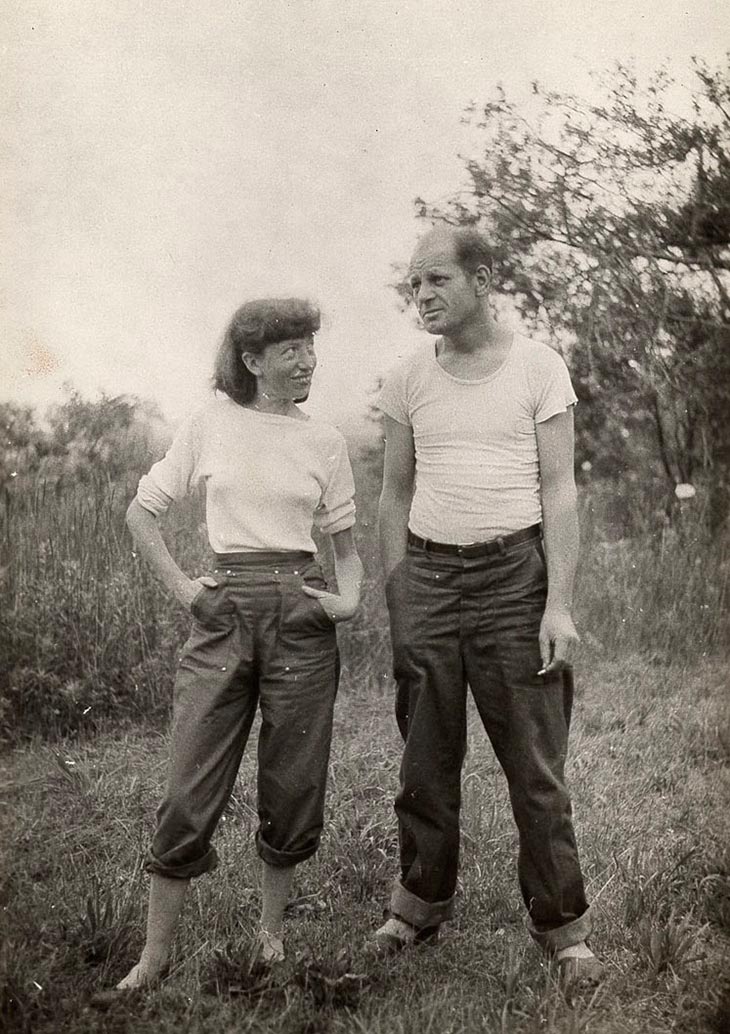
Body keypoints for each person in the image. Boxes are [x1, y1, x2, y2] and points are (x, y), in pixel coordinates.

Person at [373, 225, 601, 984]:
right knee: (425, 758)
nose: (424, 297)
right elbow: (394, 493)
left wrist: (557, 605)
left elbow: (561, 489)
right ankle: (417, 906)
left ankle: (563, 928)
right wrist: (401, 597)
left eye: (437, 280)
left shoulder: (538, 366)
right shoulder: (408, 376)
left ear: (482, 277)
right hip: (430, 581)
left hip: (515, 580)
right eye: (415, 286)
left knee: (535, 764)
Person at [115, 298, 362, 990]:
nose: (307, 360)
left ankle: (271, 933)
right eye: (291, 350)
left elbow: (347, 549)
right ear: (252, 361)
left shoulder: (326, 442)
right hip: (222, 610)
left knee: (292, 777)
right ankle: (154, 956)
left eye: (310, 347)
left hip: (300, 612)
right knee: (189, 781)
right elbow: (143, 514)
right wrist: (186, 592)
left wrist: (348, 599)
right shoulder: (210, 424)